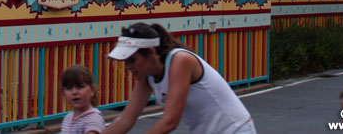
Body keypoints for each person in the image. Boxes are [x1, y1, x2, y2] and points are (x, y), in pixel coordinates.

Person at [102, 23, 255, 134]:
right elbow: (126, 120)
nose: (127, 67)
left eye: (132, 60)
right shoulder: (146, 76)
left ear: (150, 52)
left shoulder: (180, 61)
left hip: (235, 130)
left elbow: (170, 122)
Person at [60, 65, 105, 134]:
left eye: (80, 87)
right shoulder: (68, 118)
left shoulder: (93, 119)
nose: (74, 92)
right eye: (69, 88)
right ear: (64, 93)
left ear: (92, 90)